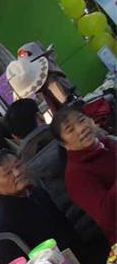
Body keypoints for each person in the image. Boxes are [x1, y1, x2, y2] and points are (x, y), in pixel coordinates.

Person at [5, 97, 109, 257]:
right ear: (39, 116)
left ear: (15, 136)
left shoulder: (23, 172)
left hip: (81, 237)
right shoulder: (74, 140)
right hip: (108, 216)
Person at [52, 102, 116, 245]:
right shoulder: (75, 175)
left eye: (81, 120)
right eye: (70, 130)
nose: (81, 129)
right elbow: (107, 217)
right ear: (64, 144)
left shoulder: (107, 143)